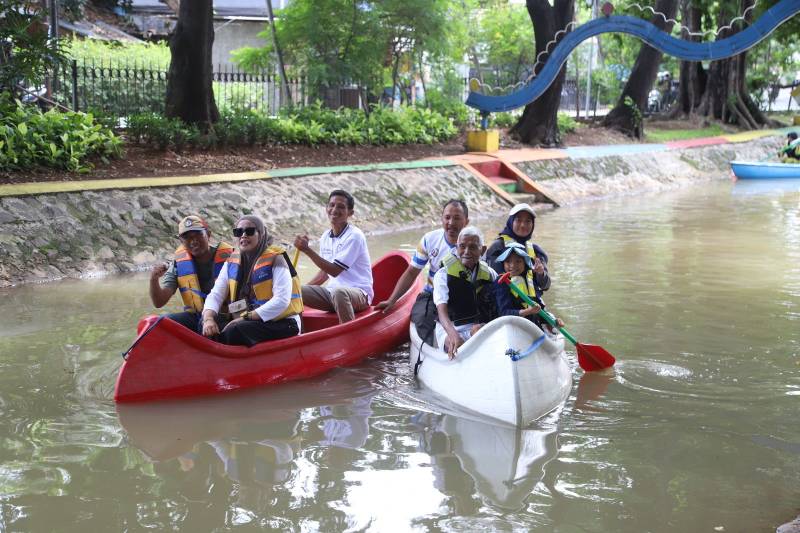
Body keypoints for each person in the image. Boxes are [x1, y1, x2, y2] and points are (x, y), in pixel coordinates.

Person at [375, 199, 469, 344]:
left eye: (457, 218)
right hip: (432, 294)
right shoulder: (429, 239)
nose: (451, 223)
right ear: (441, 219)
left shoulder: (473, 243)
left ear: (466, 221)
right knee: (421, 318)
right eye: (447, 217)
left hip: (462, 296)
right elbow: (412, 272)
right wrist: (392, 300)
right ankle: (437, 348)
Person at [201, 215, 302, 347]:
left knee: (235, 331)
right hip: (247, 319)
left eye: (249, 231)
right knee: (206, 324)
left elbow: (282, 301)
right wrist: (208, 319)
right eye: (238, 232)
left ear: (260, 234)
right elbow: (216, 295)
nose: (243, 235)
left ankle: (226, 360)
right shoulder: (231, 262)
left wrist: (245, 318)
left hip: (282, 322)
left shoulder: (277, 260)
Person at [294, 190, 373, 324]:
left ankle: (349, 334)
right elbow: (324, 273)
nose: (334, 210)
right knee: (295, 292)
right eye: (331, 205)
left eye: (341, 207)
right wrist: (298, 292)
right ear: (326, 208)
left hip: (359, 295)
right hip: (333, 294)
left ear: (350, 213)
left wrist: (307, 250)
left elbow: (334, 271)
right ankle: (299, 333)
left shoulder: (355, 236)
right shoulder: (325, 236)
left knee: (339, 293)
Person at [149, 215, 234, 332]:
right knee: (160, 322)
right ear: (181, 241)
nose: (193, 241)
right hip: (196, 316)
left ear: (208, 234)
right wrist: (154, 279)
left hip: (225, 316)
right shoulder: (178, 264)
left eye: (198, 235)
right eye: (187, 237)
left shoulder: (230, 258)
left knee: (204, 325)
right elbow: (159, 302)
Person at [433, 226, 498, 359]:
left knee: (480, 331)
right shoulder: (443, 275)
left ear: (483, 250)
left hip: (477, 327)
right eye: (462, 246)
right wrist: (453, 335)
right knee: (459, 344)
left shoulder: (490, 274)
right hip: (450, 327)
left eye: (473, 247)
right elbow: (441, 312)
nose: (466, 252)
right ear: (456, 247)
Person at [485, 203, 551, 305]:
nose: (523, 225)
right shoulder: (497, 247)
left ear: (532, 224)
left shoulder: (535, 251)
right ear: (511, 221)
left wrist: (540, 273)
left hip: (533, 307)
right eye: (518, 220)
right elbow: (492, 281)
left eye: (528, 221)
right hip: (505, 308)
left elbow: (545, 285)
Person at [494, 241, 563, 331]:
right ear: (503, 263)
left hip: (531, 327)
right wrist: (528, 311)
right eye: (508, 261)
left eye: (518, 261)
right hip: (510, 329)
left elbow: (538, 308)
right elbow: (504, 313)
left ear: (525, 263)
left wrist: (552, 321)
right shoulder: (501, 282)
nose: (513, 265)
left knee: (551, 321)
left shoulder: (529, 280)